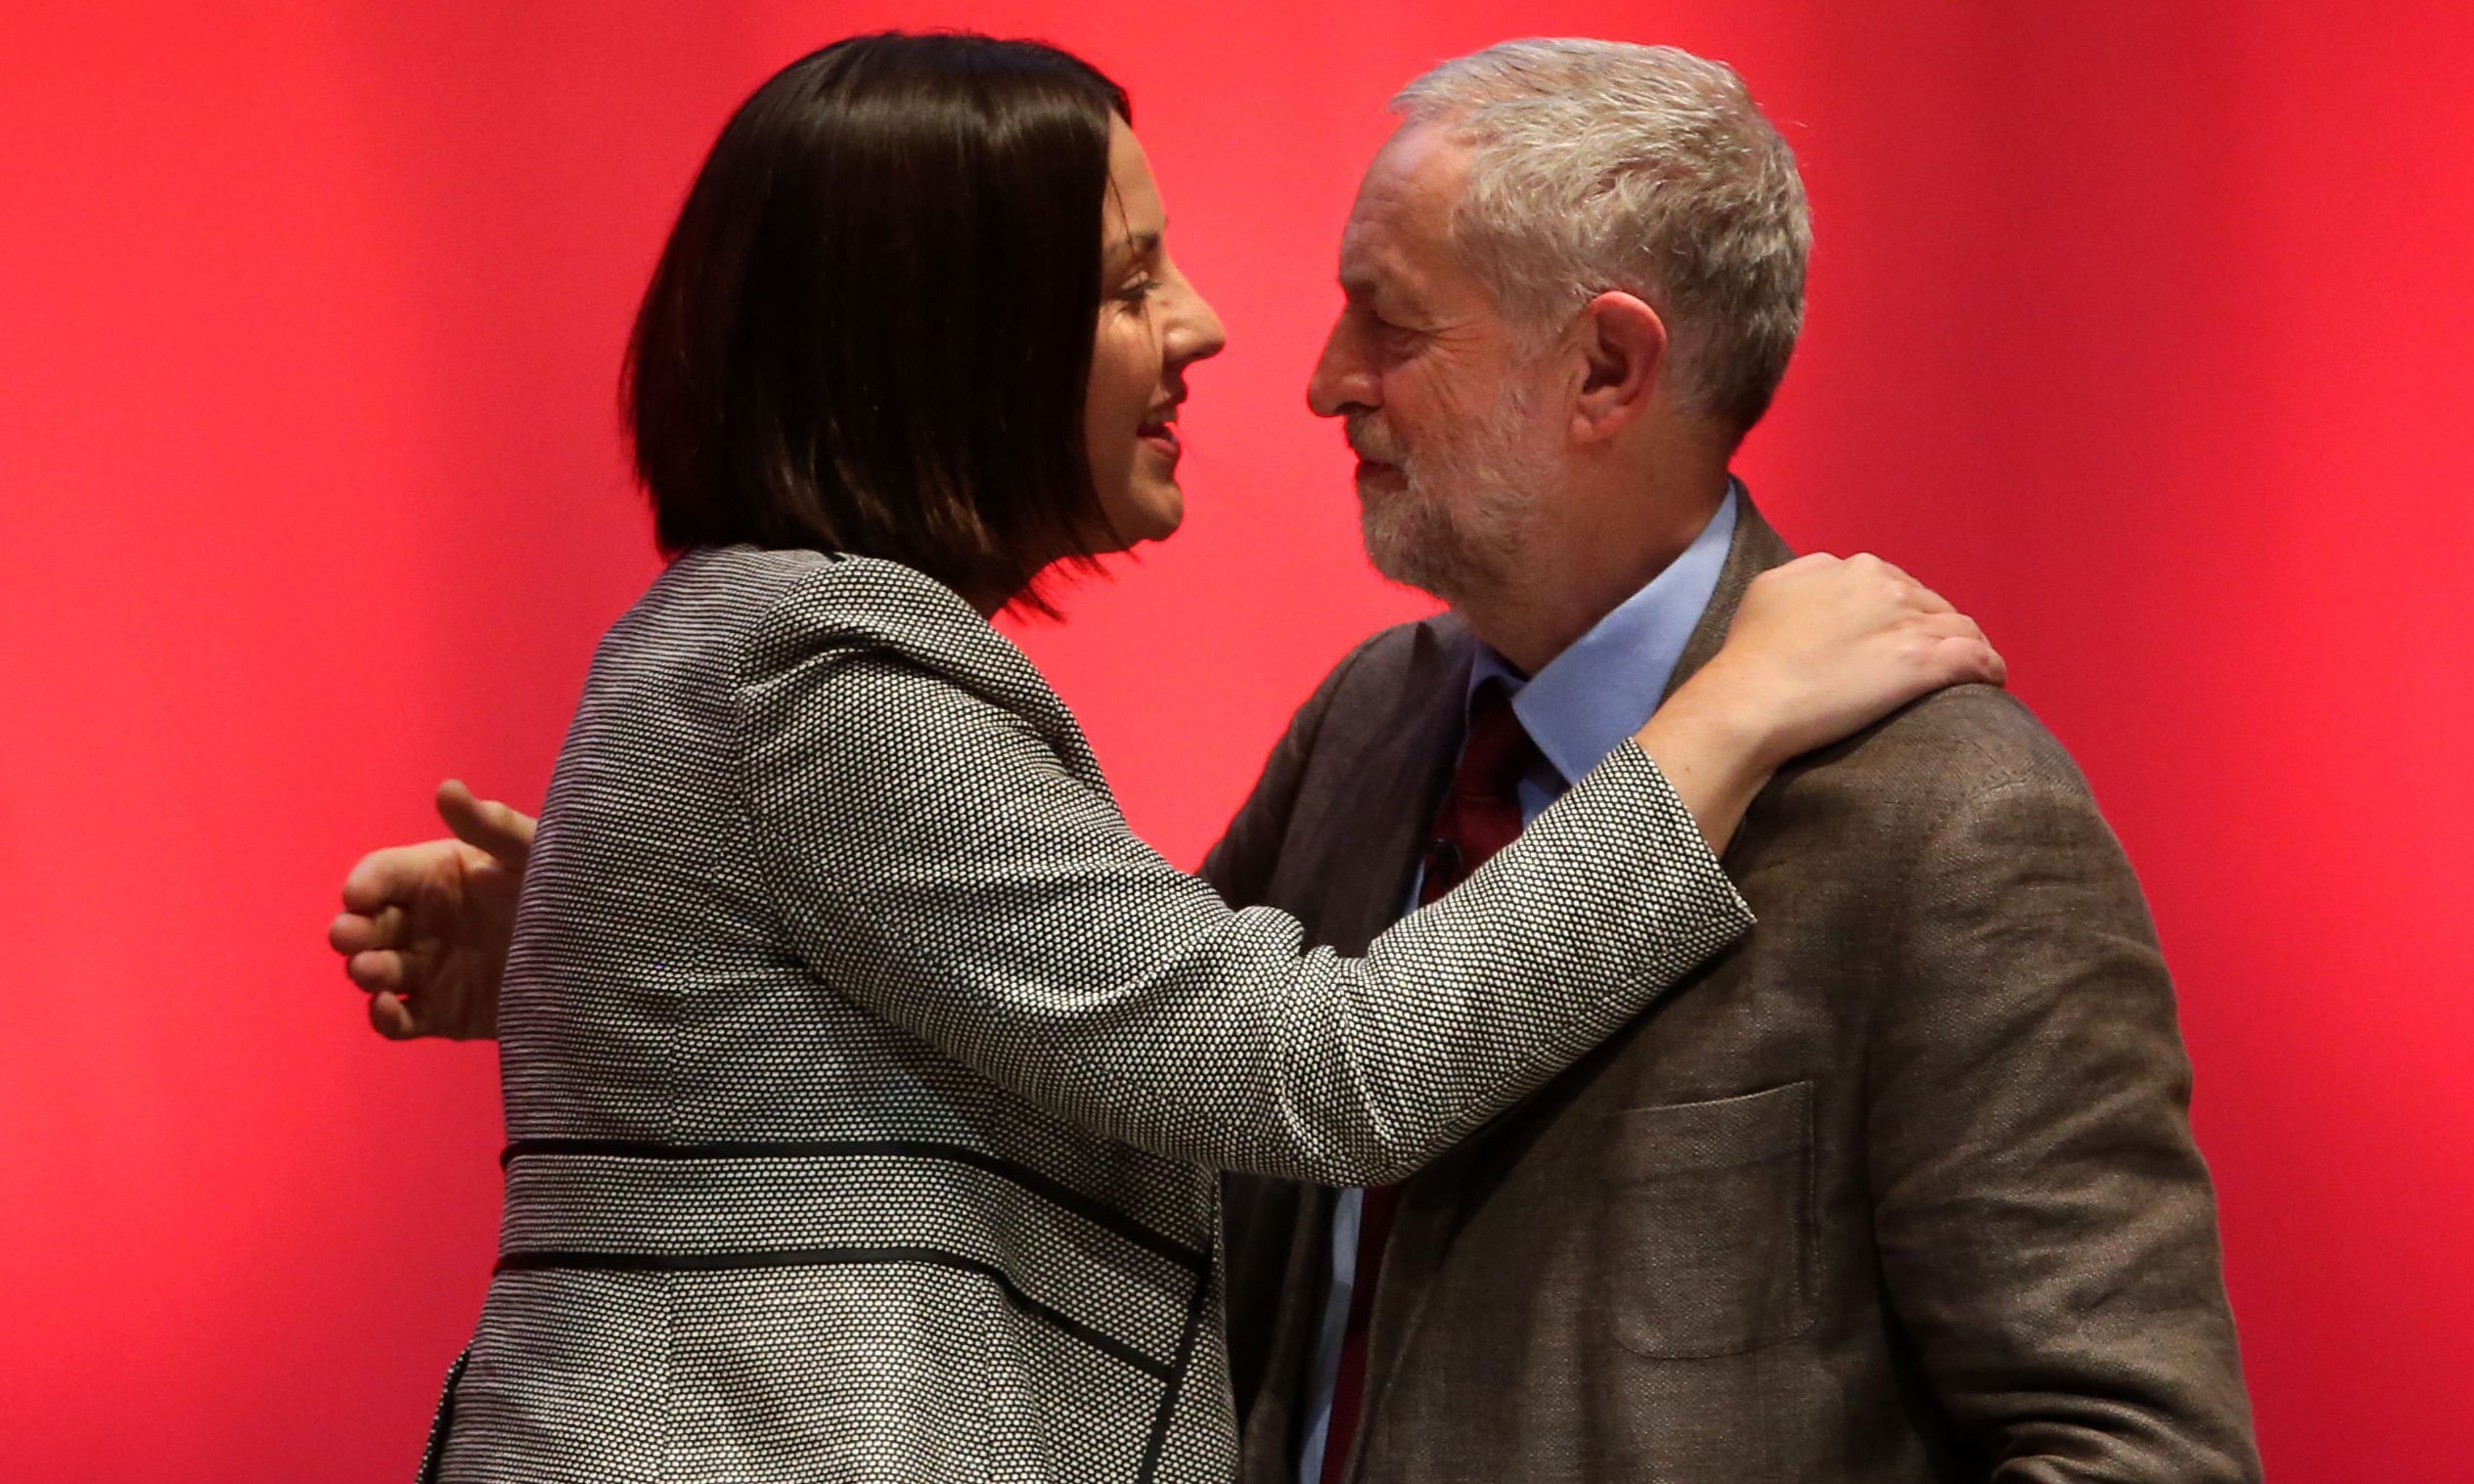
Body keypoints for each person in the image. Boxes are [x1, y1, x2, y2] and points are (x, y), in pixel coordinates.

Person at [330, 31, 2004, 1484]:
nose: (1207, 332)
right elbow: (1313, 1072)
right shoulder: (827, 672)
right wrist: (1720, 716)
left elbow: (1112, 1041)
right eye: (1126, 285)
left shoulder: (765, 657)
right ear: (948, 340)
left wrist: (634, 945)